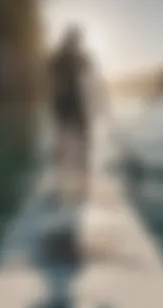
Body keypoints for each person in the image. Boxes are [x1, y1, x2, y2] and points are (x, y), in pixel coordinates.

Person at [49, 25, 107, 196]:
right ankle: (61, 182)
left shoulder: (82, 58)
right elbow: (52, 79)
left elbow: (94, 80)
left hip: (78, 107)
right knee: (63, 145)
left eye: (77, 40)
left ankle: (83, 183)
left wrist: (100, 102)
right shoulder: (58, 58)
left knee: (83, 145)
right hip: (64, 107)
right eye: (74, 40)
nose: (76, 44)